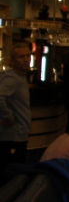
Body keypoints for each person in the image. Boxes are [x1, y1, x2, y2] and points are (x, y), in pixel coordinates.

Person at [0, 43, 32, 172]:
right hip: (12, 137)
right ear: (11, 61)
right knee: (12, 174)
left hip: (18, 136)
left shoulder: (20, 77)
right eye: (21, 57)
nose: (26, 59)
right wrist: (9, 117)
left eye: (28, 56)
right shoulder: (12, 78)